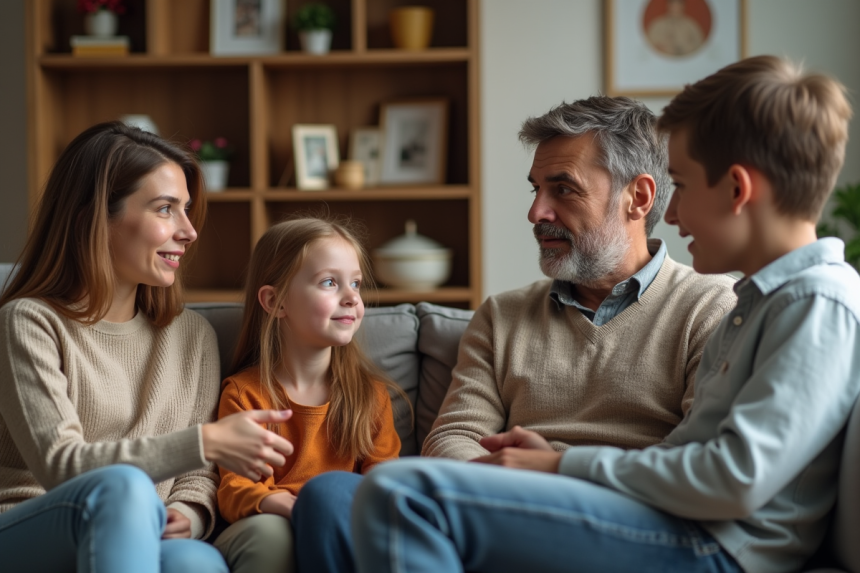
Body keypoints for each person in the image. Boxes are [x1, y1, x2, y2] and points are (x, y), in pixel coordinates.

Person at [348, 55, 860, 573]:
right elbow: (686, 450)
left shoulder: (814, 302)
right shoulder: (762, 303)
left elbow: (736, 478)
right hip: (683, 528)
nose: (673, 212)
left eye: (680, 184)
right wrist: (546, 469)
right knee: (363, 495)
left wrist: (560, 465)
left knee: (397, 491)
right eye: (537, 189)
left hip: (719, 549)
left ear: (736, 189)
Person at [291, 96, 738, 572]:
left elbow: (694, 459)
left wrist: (552, 474)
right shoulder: (503, 316)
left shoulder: (711, 307)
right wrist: (504, 490)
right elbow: (455, 437)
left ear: (639, 198)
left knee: (395, 493)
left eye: (563, 190)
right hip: (498, 510)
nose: (536, 213)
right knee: (328, 494)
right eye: (536, 190)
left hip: (626, 525)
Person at [0, 121, 295, 573]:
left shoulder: (192, 336)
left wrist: (191, 516)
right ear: (96, 217)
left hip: (149, 529)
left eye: (187, 210)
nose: (189, 231)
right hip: (33, 523)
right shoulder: (29, 322)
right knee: (124, 488)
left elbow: (196, 477)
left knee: (196, 563)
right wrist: (207, 441)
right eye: (165, 209)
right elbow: (61, 465)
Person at [212, 217, 404, 573]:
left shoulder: (370, 395)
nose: (352, 298)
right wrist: (296, 507)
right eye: (330, 282)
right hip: (274, 522)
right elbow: (236, 489)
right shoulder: (245, 395)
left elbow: (384, 481)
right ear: (276, 301)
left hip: (345, 520)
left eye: (357, 284)